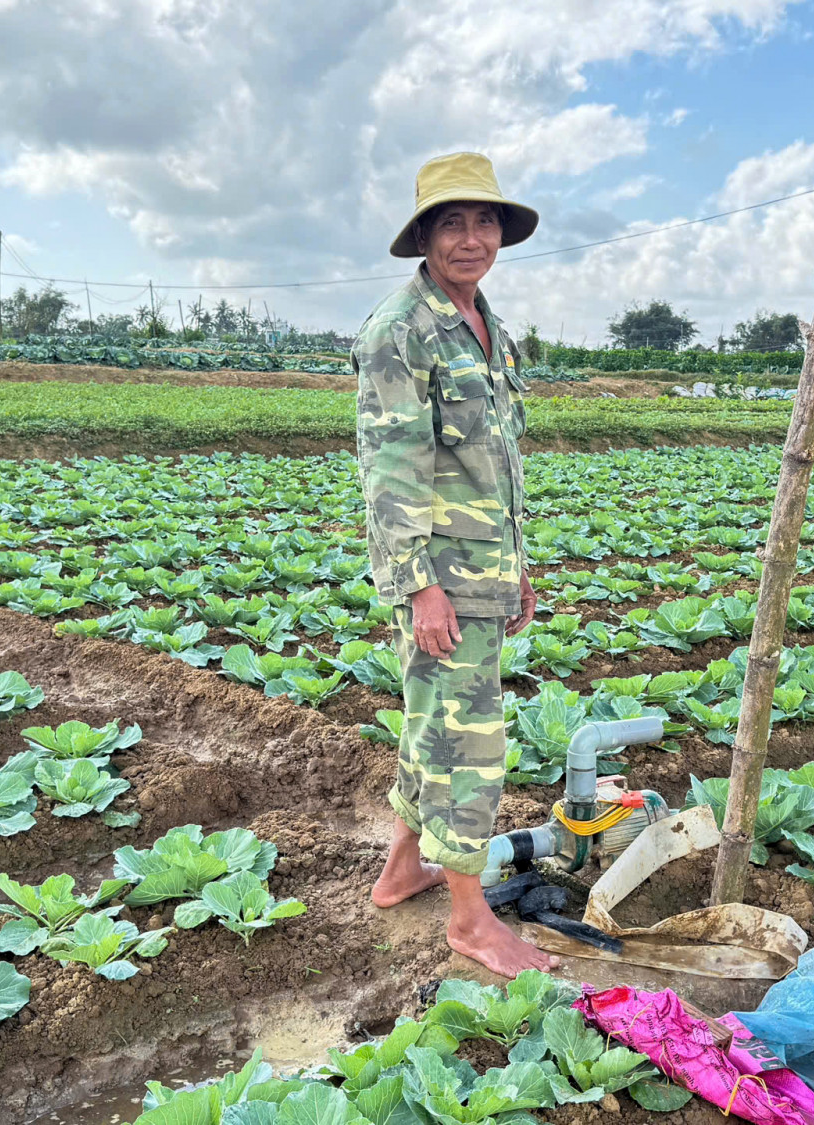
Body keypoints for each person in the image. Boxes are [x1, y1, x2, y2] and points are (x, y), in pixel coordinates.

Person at [353, 152, 557, 977]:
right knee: (470, 740)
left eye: (483, 222)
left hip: (482, 570)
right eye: (451, 222)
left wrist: (517, 568)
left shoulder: (485, 323)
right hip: (440, 578)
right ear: (425, 237)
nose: (470, 238)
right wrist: (422, 584)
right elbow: (391, 470)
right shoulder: (400, 331)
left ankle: (405, 869)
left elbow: (491, 463)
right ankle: (471, 921)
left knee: (435, 720)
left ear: (500, 233)